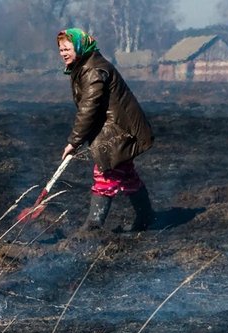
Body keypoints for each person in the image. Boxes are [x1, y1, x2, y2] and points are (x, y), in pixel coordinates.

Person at [57, 28, 155, 232]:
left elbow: (89, 108)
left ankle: (93, 226)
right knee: (126, 174)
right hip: (117, 128)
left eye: (67, 48)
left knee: (104, 172)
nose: (63, 53)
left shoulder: (92, 70)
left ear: (79, 46)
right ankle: (146, 217)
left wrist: (74, 141)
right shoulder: (84, 66)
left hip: (120, 131)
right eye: (60, 49)